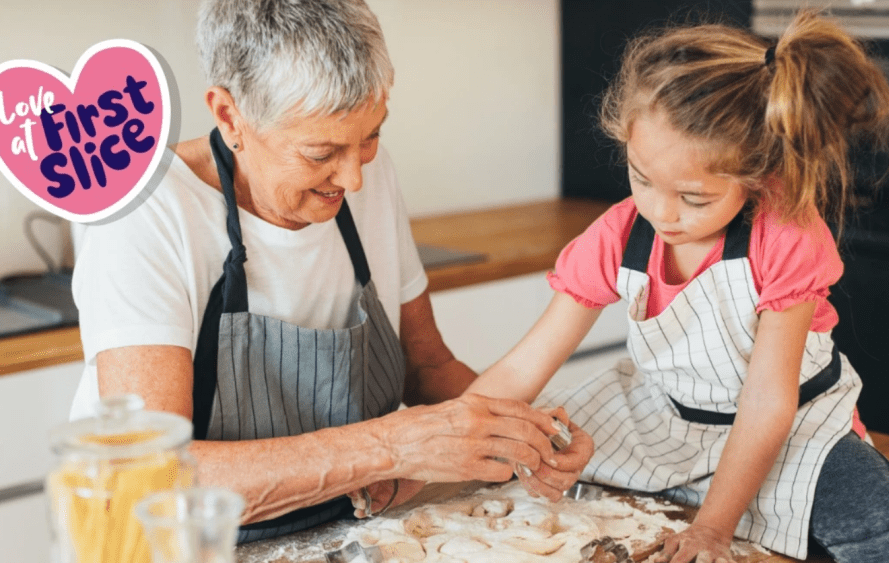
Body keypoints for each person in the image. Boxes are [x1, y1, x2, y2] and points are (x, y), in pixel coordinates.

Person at [68, 0, 592, 543]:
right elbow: (150, 475)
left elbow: (427, 364)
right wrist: (389, 448)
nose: (353, 178)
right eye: (321, 153)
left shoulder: (368, 174)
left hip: (345, 535)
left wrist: (520, 436)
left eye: (370, 136)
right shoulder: (148, 213)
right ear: (230, 116)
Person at [467, 10, 889, 563]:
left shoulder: (783, 236)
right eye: (641, 177)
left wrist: (712, 527)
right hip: (664, 415)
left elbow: (767, 402)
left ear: (757, 177)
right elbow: (523, 368)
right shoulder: (617, 234)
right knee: (534, 444)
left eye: (694, 198)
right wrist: (424, 451)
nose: (661, 213)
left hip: (789, 422)